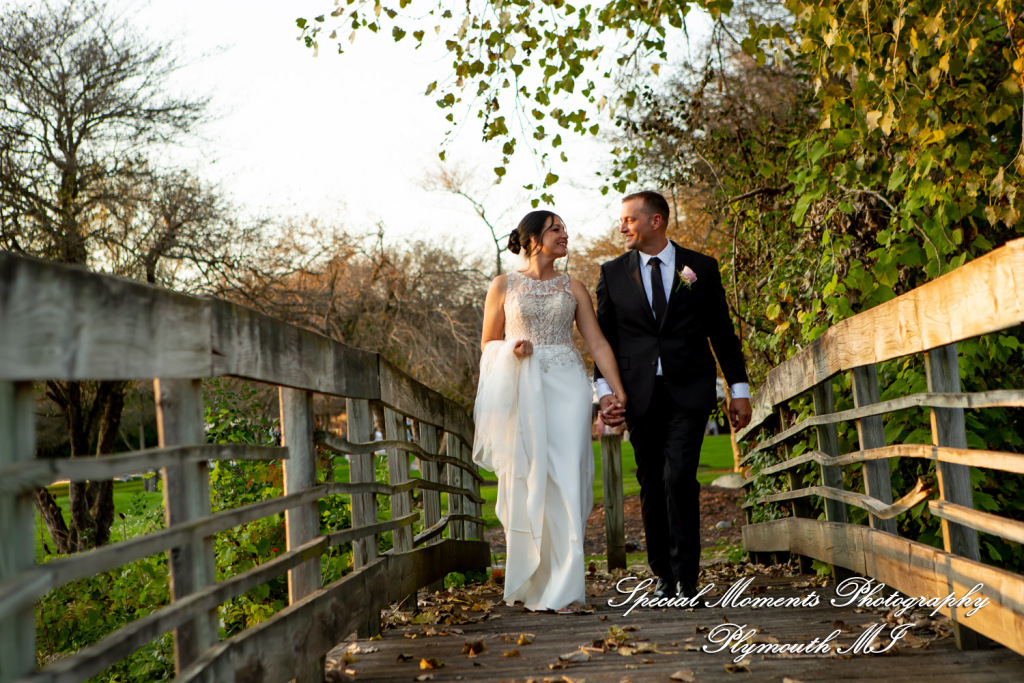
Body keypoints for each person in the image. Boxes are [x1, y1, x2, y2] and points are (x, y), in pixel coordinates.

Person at [595, 191, 752, 601]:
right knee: (650, 482)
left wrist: (738, 390)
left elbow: (722, 333)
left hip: (690, 392)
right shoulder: (611, 273)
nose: (623, 226)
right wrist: (605, 394)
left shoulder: (699, 268)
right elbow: (603, 341)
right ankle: (663, 574)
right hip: (638, 396)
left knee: (679, 476)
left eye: (630, 219)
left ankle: (688, 578)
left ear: (656, 221)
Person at [472, 210, 627, 613]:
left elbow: (597, 343)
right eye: (556, 229)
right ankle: (532, 580)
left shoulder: (573, 287)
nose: (566, 234)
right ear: (532, 238)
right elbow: (488, 343)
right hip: (524, 385)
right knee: (530, 478)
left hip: (568, 387)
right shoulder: (502, 285)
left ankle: (567, 590)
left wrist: (616, 392)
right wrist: (511, 349)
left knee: (567, 478)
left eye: (564, 229)